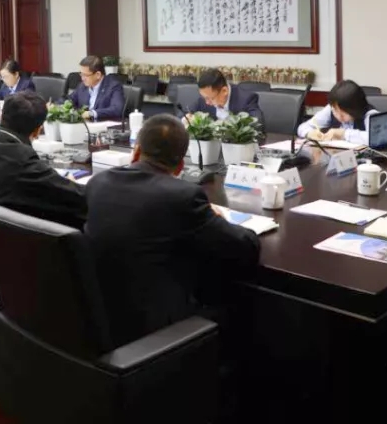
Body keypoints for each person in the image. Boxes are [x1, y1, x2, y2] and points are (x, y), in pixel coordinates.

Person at [84, 114, 261, 346]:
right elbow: (246, 247)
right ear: (180, 167)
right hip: (160, 331)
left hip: (102, 318)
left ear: (136, 152)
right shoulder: (183, 196)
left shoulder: (97, 184)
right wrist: (218, 219)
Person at [0, 92, 86, 265]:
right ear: (38, 131)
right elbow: (79, 198)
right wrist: (71, 183)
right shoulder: (21, 159)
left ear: (0, 117)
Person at [298, 79, 379, 146]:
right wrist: (310, 133)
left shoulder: (370, 114)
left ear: (355, 109)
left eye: (343, 113)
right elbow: (302, 127)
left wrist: (343, 133)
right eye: (335, 111)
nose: (339, 116)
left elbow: (376, 138)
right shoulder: (332, 108)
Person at [189, 68, 264, 126]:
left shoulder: (246, 99)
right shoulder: (205, 98)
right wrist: (187, 119)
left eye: (211, 98)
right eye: (204, 98)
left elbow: (257, 123)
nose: (207, 102)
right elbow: (185, 114)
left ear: (224, 91)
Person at [67, 55, 125, 121]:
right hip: (85, 124)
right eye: (81, 74)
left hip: (103, 124)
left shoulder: (114, 86)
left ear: (98, 75)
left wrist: (91, 113)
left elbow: (117, 109)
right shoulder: (82, 86)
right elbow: (69, 99)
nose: (82, 78)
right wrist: (59, 106)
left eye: (85, 75)